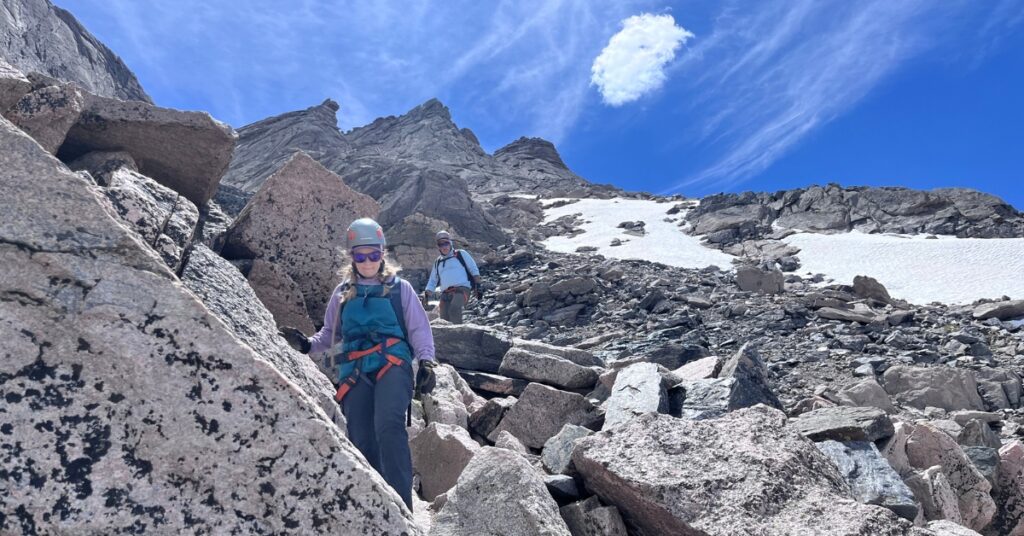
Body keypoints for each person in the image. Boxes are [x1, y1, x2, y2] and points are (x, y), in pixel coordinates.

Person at [278, 217, 435, 510]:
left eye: (373, 255)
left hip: (393, 363)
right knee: (361, 436)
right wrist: (308, 345)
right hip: (355, 370)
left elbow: (418, 329)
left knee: (389, 425)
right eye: (360, 256)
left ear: (382, 253)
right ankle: (377, 509)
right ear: (352, 257)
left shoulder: (401, 289)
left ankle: (403, 509)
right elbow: (329, 334)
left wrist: (426, 362)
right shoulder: (341, 293)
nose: (367, 262)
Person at [423, 230, 482, 324]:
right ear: (438, 247)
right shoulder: (438, 262)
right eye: (441, 245)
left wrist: (478, 286)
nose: (444, 247)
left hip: (462, 290)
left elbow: (473, 269)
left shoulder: (461, 254)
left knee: (454, 309)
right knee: (444, 318)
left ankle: (458, 335)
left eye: (446, 243)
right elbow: (433, 280)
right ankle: (448, 337)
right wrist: (427, 295)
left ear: (450, 243)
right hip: (445, 293)